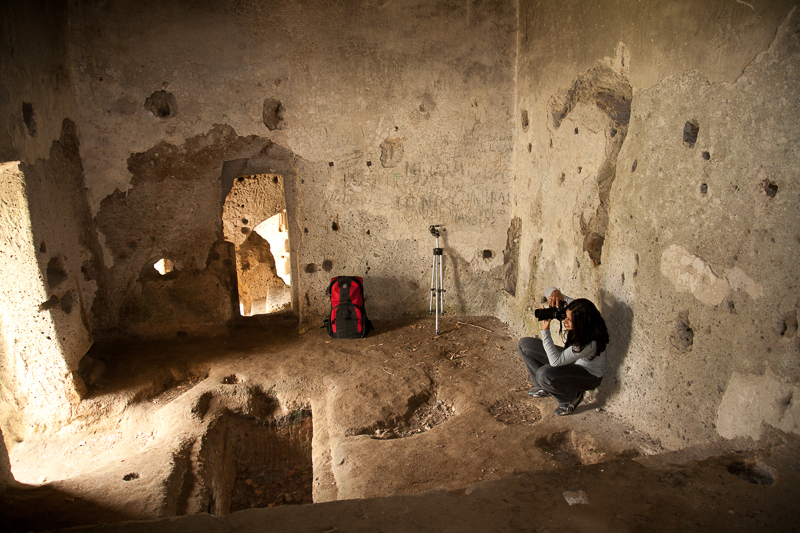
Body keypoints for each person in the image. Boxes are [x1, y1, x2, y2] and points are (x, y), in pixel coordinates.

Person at [517, 287, 609, 416]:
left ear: (581, 324)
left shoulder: (588, 343)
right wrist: (555, 293)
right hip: (572, 359)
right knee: (525, 345)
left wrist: (545, 331)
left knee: (544, 374)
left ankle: (570, 398)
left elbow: (555, 362)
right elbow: (547, 290)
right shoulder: (578, 309)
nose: (565, 321)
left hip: (588, 375)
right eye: (566, 316)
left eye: (570, 320)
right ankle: (543, 387)